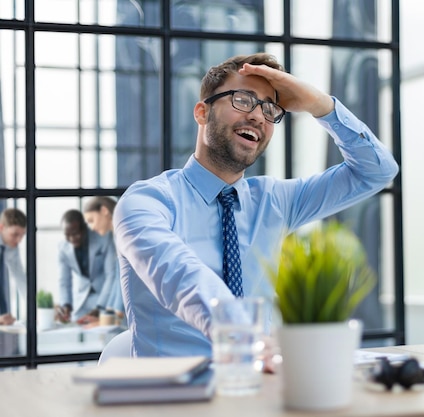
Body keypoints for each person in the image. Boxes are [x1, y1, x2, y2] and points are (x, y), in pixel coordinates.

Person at [113, 53, 399, 359]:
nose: (258, 116)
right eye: (243, 100)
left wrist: (321, 106)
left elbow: (377, 171)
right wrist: (247, 340)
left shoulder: (274, 200)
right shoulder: (147, 202)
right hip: (176, 396)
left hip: (264, 385)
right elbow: (181, 276)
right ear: (201, 113)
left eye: (269, 108)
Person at [55, 209, 117, 323]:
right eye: (67, 235)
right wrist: (66, 305)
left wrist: (100, 307)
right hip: (81, 300)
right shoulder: (62, 249)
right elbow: (64, 281)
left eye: (75, 233)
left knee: (109, 332)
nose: (72, 239)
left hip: (105, 296)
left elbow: (111, 275)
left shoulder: (104, 238)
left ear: (84, 227)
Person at [83, 197, 125, 325]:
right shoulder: (115, 235)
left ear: (104, 210)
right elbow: (118, 274)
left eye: (92, 220)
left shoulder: (124, 232)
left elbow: (124, 274)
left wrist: (116, 310)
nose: (92, 227)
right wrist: (109, 310)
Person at [0, 208, 27, 321]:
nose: (19, 240)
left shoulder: (10, 247)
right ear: (1, 228)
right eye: (15, 234)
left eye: (22, 235)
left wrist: (39, 307)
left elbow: (20, 278)